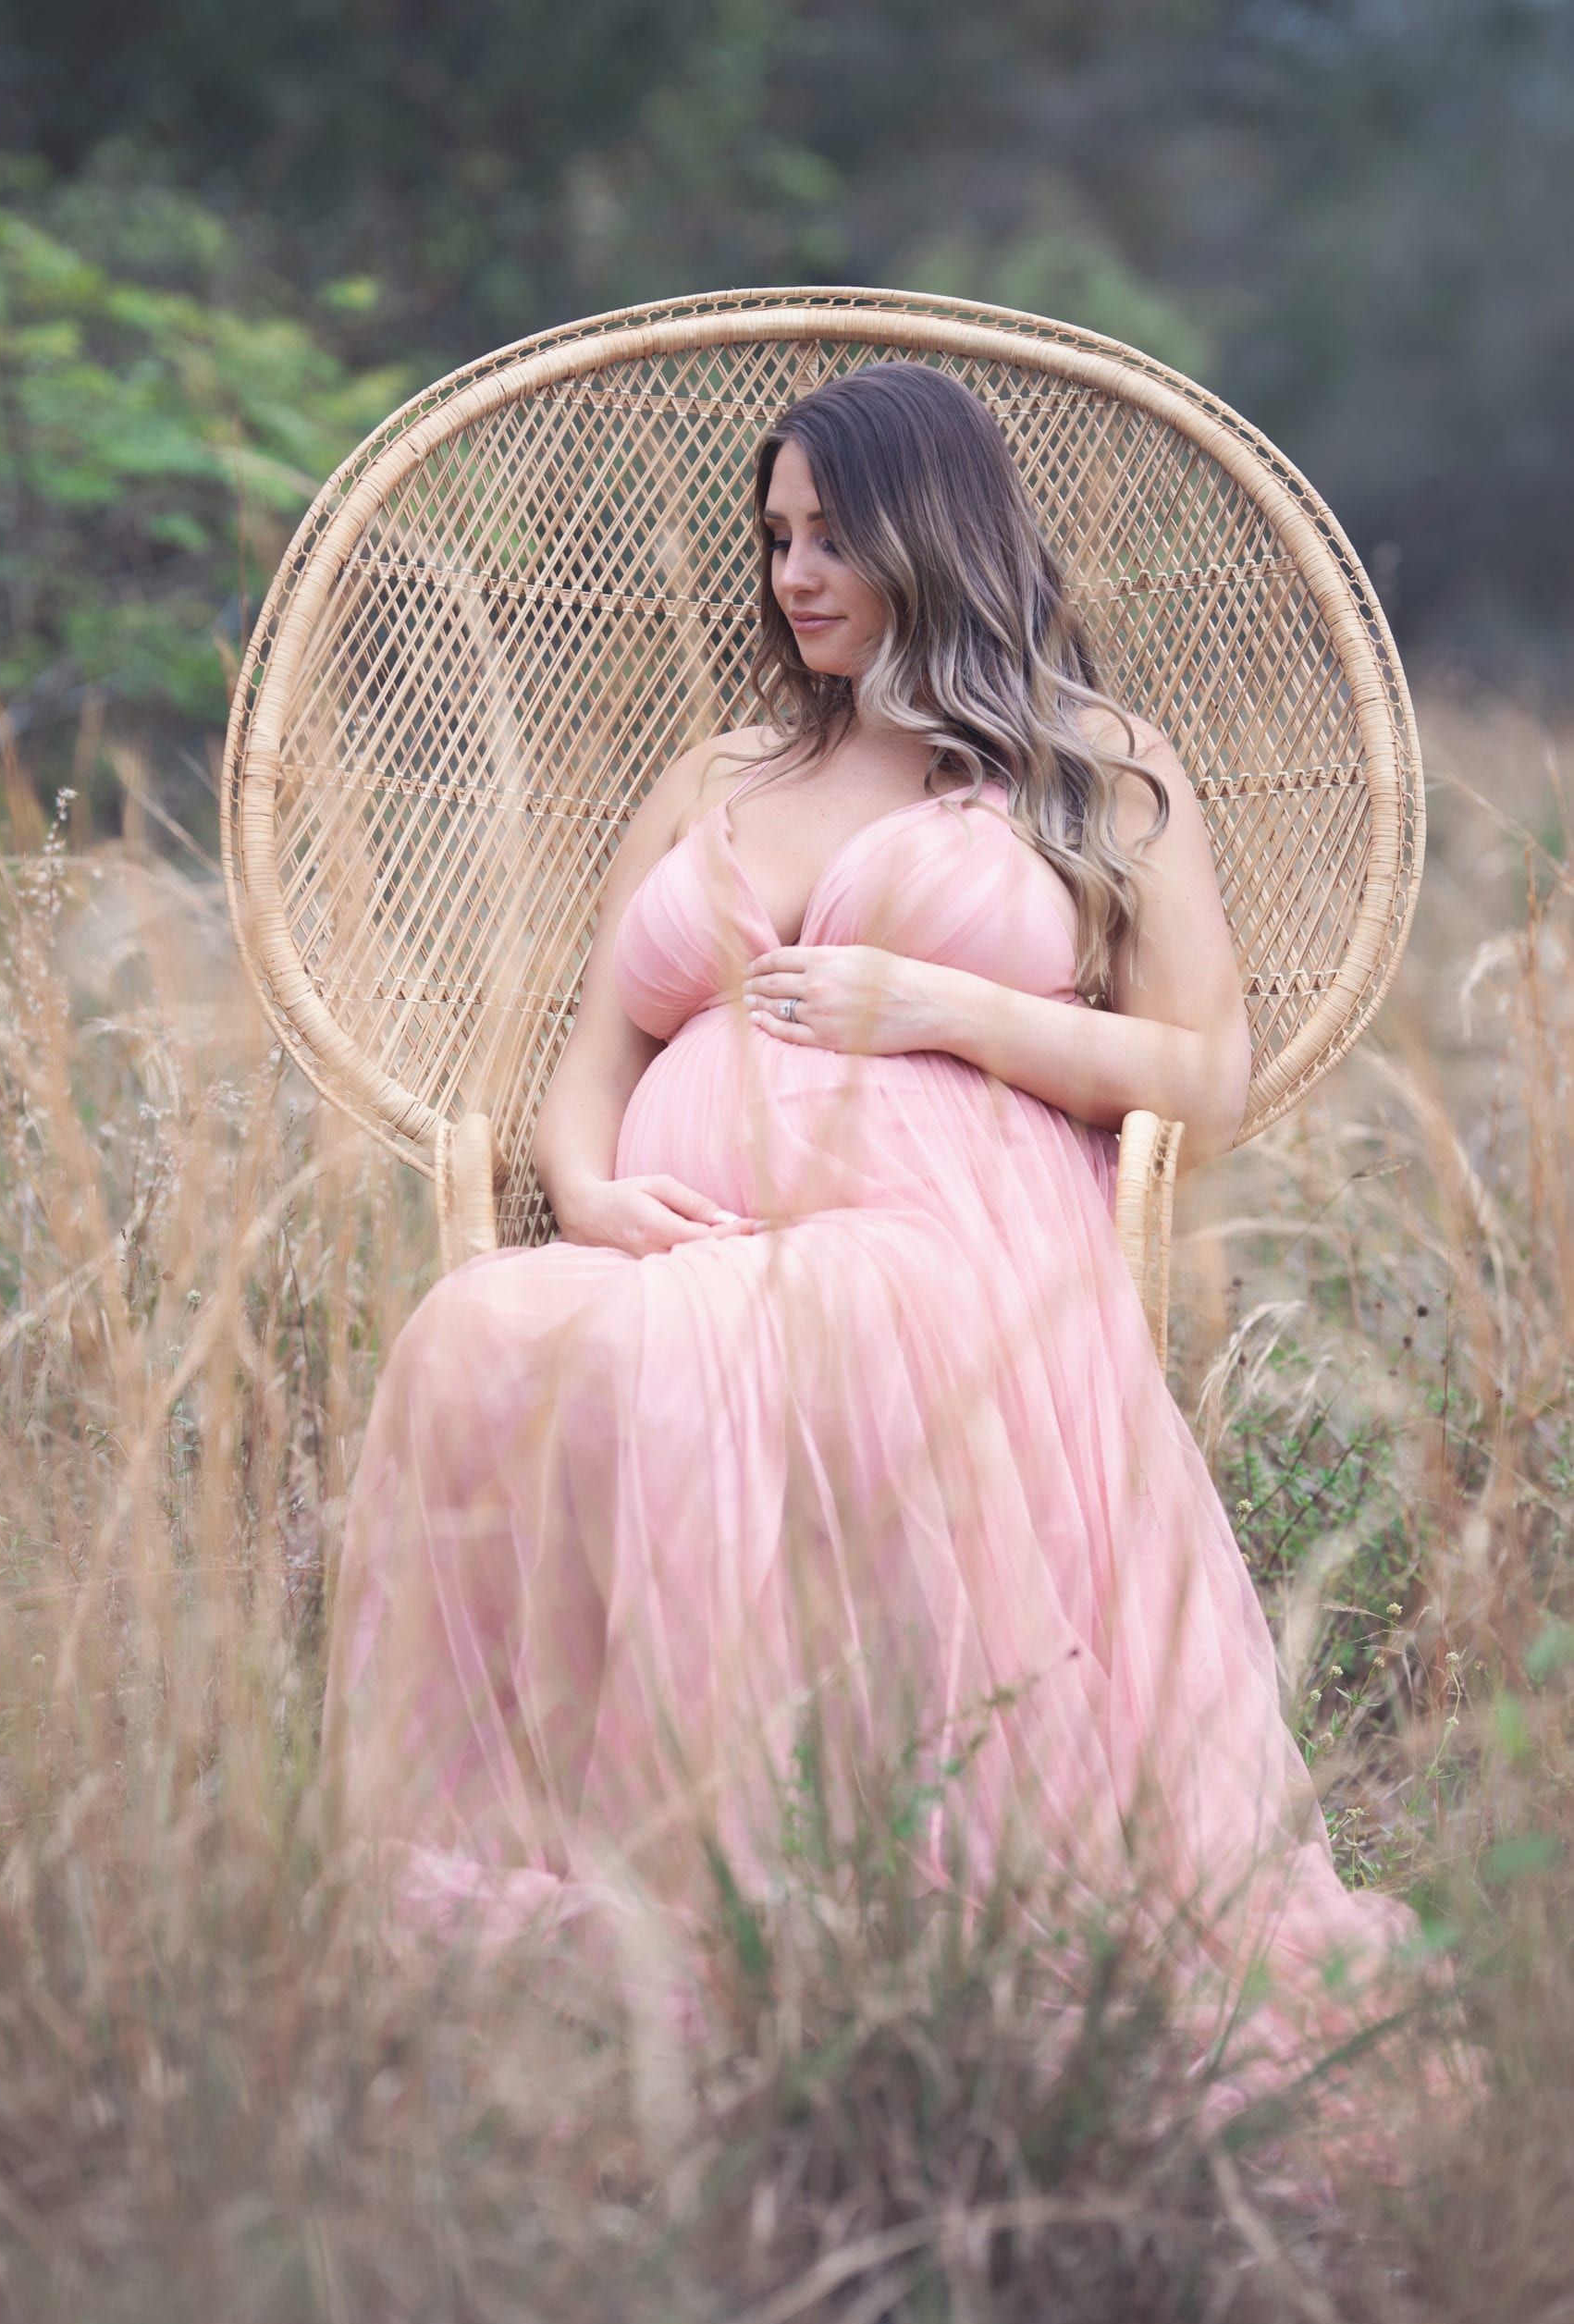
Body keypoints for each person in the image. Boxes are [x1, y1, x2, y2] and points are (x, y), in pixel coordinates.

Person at [321, 359, 1449, 2146]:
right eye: (774, 539)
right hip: (683, 1249)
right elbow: (589, 1062)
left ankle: (803, 1918)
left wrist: (931, 1004)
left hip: (944, 1264)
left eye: (832, 534)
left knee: (718, 1339)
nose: (792, 574)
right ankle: (594, 1898)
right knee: (482, 1327)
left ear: (936, 531)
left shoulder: (1097, 773)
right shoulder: (723, 771)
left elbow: (1200, 1075)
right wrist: (592, 1191)